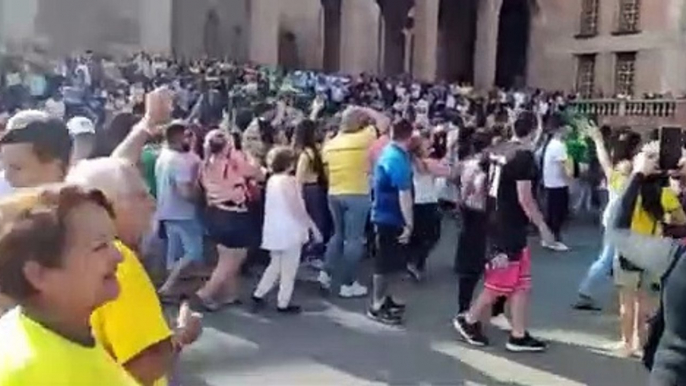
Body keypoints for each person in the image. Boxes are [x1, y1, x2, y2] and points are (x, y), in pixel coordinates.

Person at [67, 158, 202, 386]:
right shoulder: (117, 262)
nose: (152, 204)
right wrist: (182, 335)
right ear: (105, 204)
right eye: (141, 196)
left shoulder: (73, 253)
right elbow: (142, 366)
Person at [0, 184, 136, 385]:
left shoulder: (69, 333)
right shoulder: (30, 372)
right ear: (38, 275)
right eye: (99, 247)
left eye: (114, 241)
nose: (119, 256)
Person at [453, 111, 553, 352]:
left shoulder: (498, 149)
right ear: (534, 130)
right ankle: (469, 319)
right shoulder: (524, 156)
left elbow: (478, 171)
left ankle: (518, 334)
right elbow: (525, 197)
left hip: (498, 220)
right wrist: (543, 227)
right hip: (507, 226)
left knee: (520, 282)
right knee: (499, 283)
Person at [606, 148, 686, 385]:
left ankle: (630, 342)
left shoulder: (676, 258)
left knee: (629, 302)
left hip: (673, 371)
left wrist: (639, 173)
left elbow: (616, 229)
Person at [319, 107, 388, 298]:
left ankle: (325, 273)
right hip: (357, 192)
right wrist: (365, 108)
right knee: (354, 239)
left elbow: (326, 171)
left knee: (337, 235)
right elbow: (384, 121)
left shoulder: (330, 144)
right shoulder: (364, 137)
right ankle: (347, 283)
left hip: (334, 192)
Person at [196, 129, 265, 310]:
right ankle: (206, 292)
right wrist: (248, 154)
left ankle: (230, 294)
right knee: (233, 259)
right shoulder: (232, 163)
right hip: (233, 214)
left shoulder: (205, 164)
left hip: (215, 212)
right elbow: (257, 173)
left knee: (226, 255)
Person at [252, 146, 322, 314]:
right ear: (289, 164)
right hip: (290, 230)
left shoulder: (272, 180)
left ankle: (259, 293)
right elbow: (296, 208)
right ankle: (283, 302)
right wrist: (312, 227)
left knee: (275, 264)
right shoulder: (289, 182)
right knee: (289, 268)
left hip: (274, 229)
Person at [368, 119, 415, 325]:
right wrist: (409, 223)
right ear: (409, 136)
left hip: (385, 213)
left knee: (392, 263)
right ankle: (376, 305)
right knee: (384, 264)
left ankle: (386, 300)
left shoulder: (391, 152)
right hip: (389, 217)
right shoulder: (396, 159)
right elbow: (404, 194)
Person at [155, 121, 203, 297]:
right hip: (183, 212)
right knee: (193, 251)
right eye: (187, 135)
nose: (189, 139)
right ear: (178, 137)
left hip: (166, 209)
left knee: (173, 252)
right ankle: (168, 286)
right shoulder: (179, 162)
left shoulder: (164, 156)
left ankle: (170, 282)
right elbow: (185, 191)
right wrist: (200, 198)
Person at [455, 130, 492, 313]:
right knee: (475, 263)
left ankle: (465, 306)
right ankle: (467, 308)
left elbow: (461, 186)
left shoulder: (467, 164)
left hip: (470, 211)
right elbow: (473, 188)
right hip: (479, 212)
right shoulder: (481, 168)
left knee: (472, 259)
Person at [406, 130, 450, 281]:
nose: (430, 149)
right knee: (431, 235)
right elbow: (447, 172)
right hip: (425, 202)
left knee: (419, 235)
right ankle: (415, 263)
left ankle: (415, 262)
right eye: (427, 147)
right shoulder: (424, 163)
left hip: (418, 202)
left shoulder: (412, 161)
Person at [293, 119, 331, 264]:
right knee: (317, 221)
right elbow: (299, 178)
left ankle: (314, 252)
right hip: (310, 189)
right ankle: (312, 254)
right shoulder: (305, 154)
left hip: (316, 188)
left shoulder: (310, 150)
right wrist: (299, 197)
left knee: (320, 220)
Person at [540, 114, 571, 250]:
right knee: (558, 214)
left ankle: (548, 239)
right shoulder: (558, 146)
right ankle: (553, 240)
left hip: (552, 183)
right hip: (558, 184)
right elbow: (567, 168)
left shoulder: (552, 144)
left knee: (553, 213)